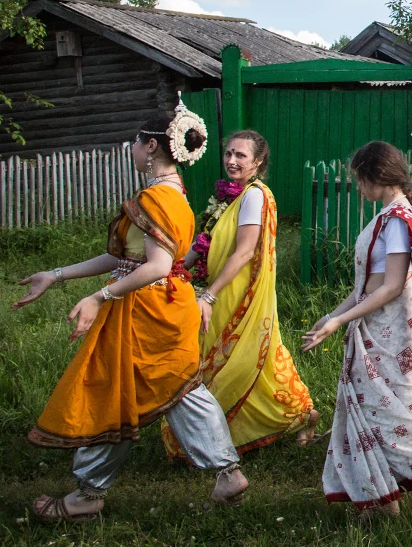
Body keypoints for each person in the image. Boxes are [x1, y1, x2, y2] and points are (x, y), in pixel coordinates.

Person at [12, 108, 249, 522]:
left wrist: (100, 297)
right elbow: (124, 258)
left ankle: (88, 494)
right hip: (166, 304)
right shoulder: (174, 195)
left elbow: (155, 266)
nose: (133, 149)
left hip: (145, 309)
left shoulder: (154, 198)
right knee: (179, 388)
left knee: (114, 391)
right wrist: (55, 274)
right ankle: (226, 473)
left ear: (152, 145)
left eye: (137, 142)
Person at [304, 141, 412, 520]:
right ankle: (382, 498)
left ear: (377, 177)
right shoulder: (387, 218)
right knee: (370, 409)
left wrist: (339, 321)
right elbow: (368, 284)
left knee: (397, 415)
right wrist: (331, 316)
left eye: (360, 179)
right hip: (374, 328)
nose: (358, 188)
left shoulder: (398, 221)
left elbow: (392, 286)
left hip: (394, 336)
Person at [166, 129, 317, 458]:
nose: (232, 161)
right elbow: (204, 240)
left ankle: (299, 414)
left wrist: (209, 296)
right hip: (219, 288)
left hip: (236, 293)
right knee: (237, 359)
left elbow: (245, 251)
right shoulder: (229, 196)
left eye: (241, 156)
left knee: (246, 359)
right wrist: (175, 270)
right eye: (228, 154)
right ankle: (230, 429)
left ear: (258, 161)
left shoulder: (254, 196)